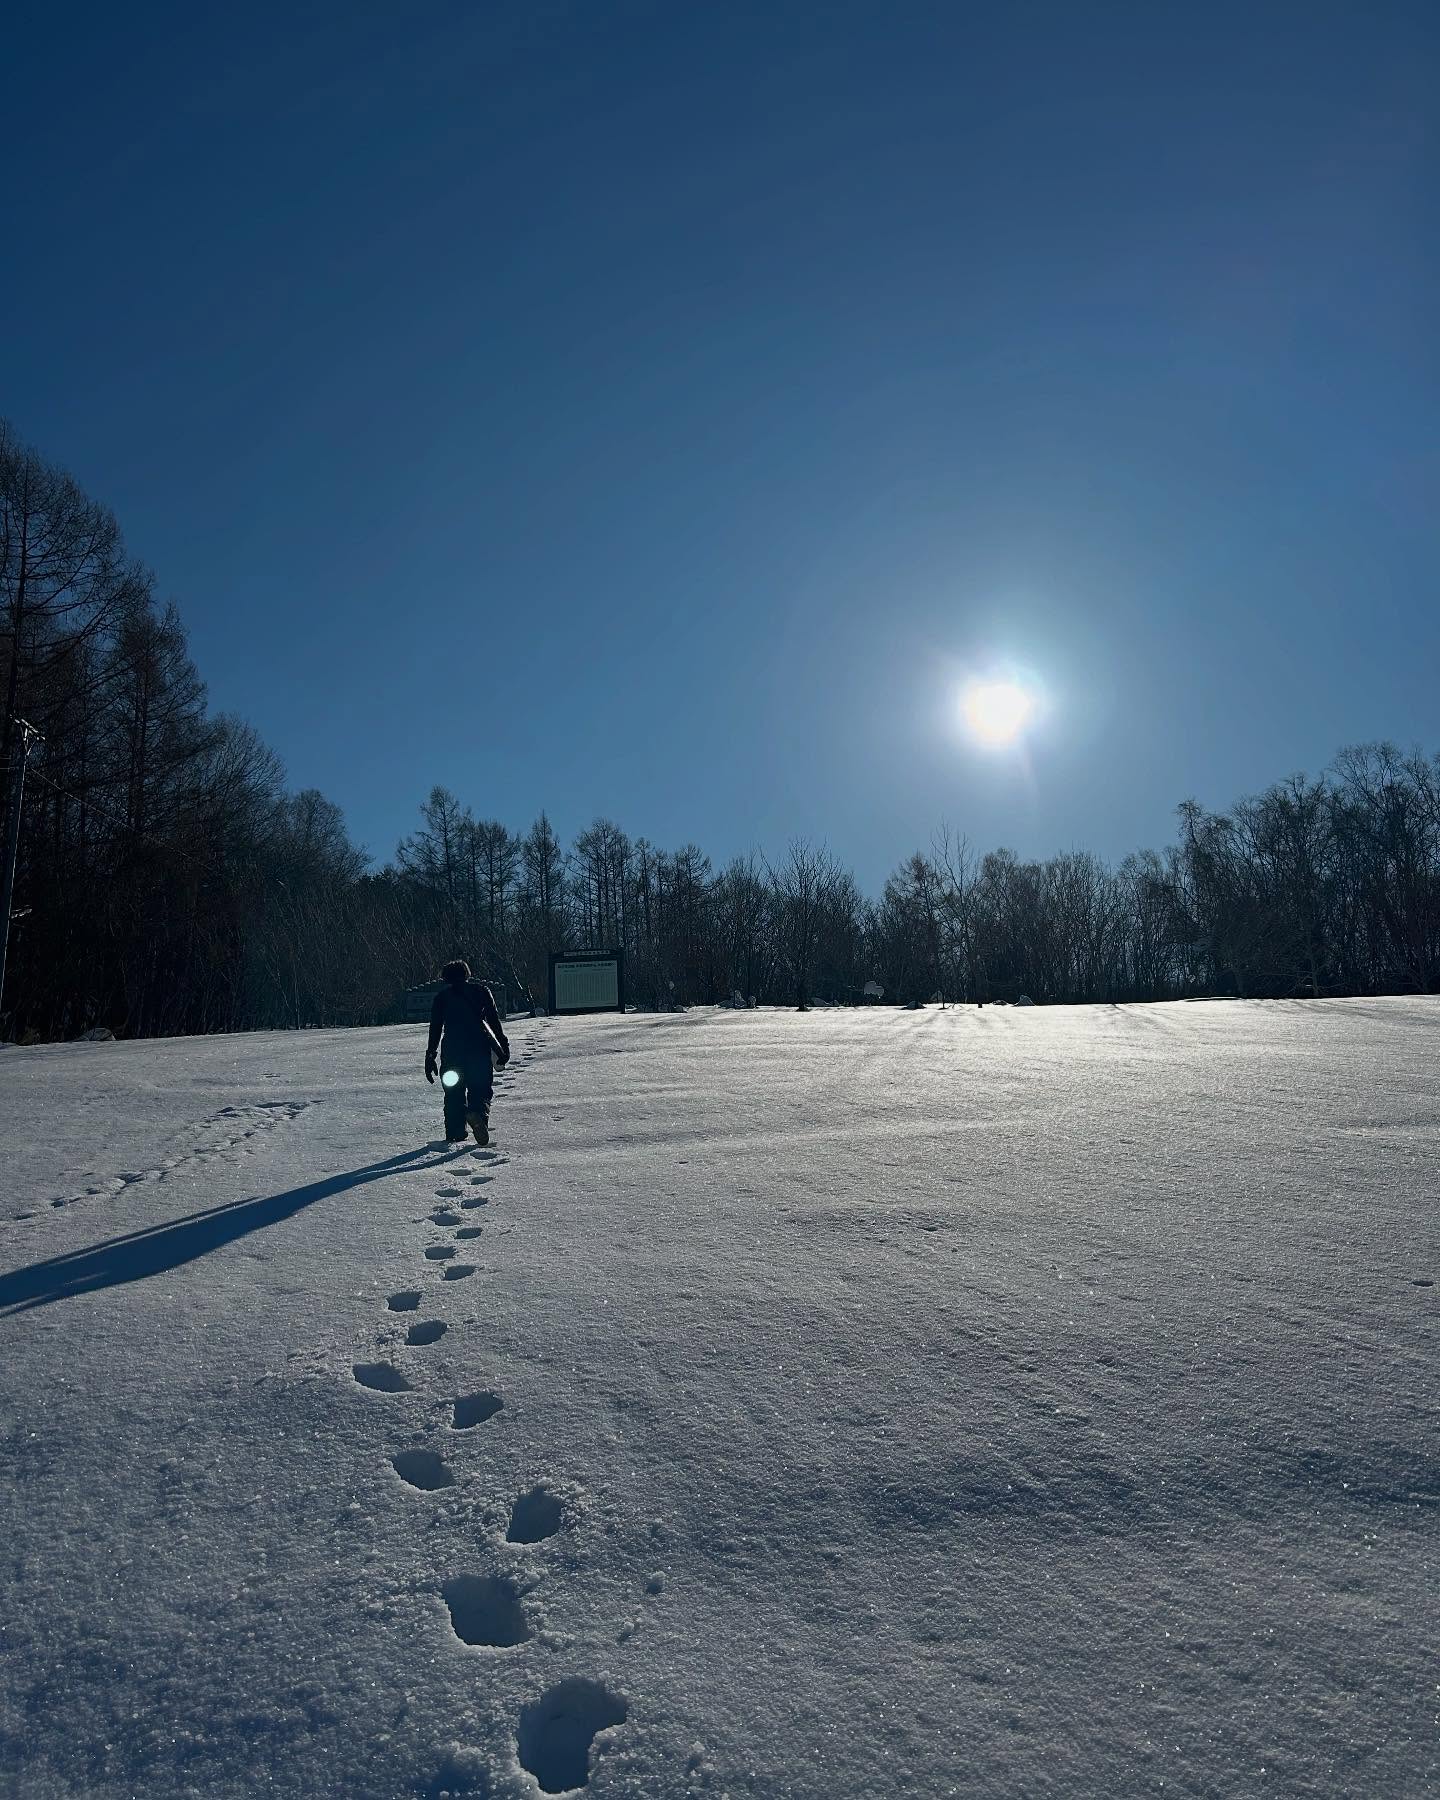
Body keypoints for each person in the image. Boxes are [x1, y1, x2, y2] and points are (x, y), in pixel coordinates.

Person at [425, 960, 510, 1146]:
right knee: (480, 1088)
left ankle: (455, 1131)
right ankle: (477, 1114)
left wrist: (430, 1055)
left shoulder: (442, 998)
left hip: (452, 1053)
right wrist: (503, 1046)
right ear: (467, 974)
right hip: (478, 1050)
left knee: (453, 1092)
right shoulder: (481, 992)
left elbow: (435, 1028)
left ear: (445, 978)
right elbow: (494, 1022)